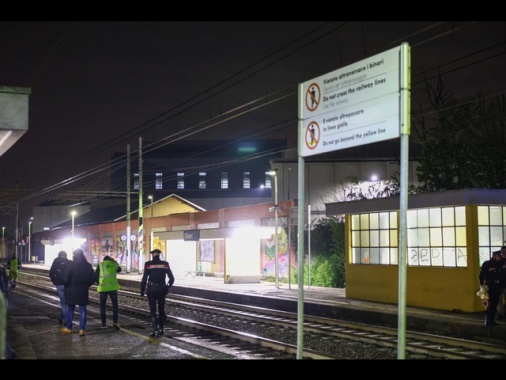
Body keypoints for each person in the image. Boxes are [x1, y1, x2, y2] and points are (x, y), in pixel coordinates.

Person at [140, 249, 175, 337]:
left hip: (151, 289)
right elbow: (172, 278)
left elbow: (144, 278)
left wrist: (142, 290)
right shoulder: (165, 264)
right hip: (161, 289)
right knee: (161, 309)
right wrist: (167, 286)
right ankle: (161, 329)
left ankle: (154, 330)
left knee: (153, 309)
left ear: (152, 255)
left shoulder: (148, 264)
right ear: (159, 255)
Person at [60, 248, 95, 336]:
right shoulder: (88, 266)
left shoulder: (70, 265)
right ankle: (81, 329)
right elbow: (93, 278)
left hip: (71, 289)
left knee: (70, 309)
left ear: (74, 255)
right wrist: (87, 285)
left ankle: (68, 328)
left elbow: (65, 279)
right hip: (83, 290)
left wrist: (67, 286)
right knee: (83, 309)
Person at [95, 255, 121, 329]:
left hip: (103, 288)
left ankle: (103, 324)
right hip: (113, 288)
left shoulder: (100, 265)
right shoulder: (114, 264)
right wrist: (115, 262)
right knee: (115, 306)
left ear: (104, 260)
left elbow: (96, 276)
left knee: (102, 306)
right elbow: (119, 270)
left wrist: (99, 283)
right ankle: (115, 322)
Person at [479, 250, 503, 326]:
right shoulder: (487, 264)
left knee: (495, 304)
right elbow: (482, 275)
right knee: (489, 304)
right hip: (489, 286)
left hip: (497, 286)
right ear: (494, 256)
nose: (499, 258)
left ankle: (492, 320)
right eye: (498, 256)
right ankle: (488, 320)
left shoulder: (499, 264)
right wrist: (481, 285)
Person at [49, 251, 70, 325]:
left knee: (63, 303)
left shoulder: (56, 261)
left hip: (59, 285)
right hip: (68, 285)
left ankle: (66, 319)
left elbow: (51, 273)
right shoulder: (68, 262)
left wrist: (55, 282)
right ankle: (61, 318)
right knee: (66, 303)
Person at [496, 246, 506, 320]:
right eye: (502, 251)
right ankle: (501, 313)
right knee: (499, 299)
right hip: (499, 283)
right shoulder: (498, 260)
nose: (503, 252)